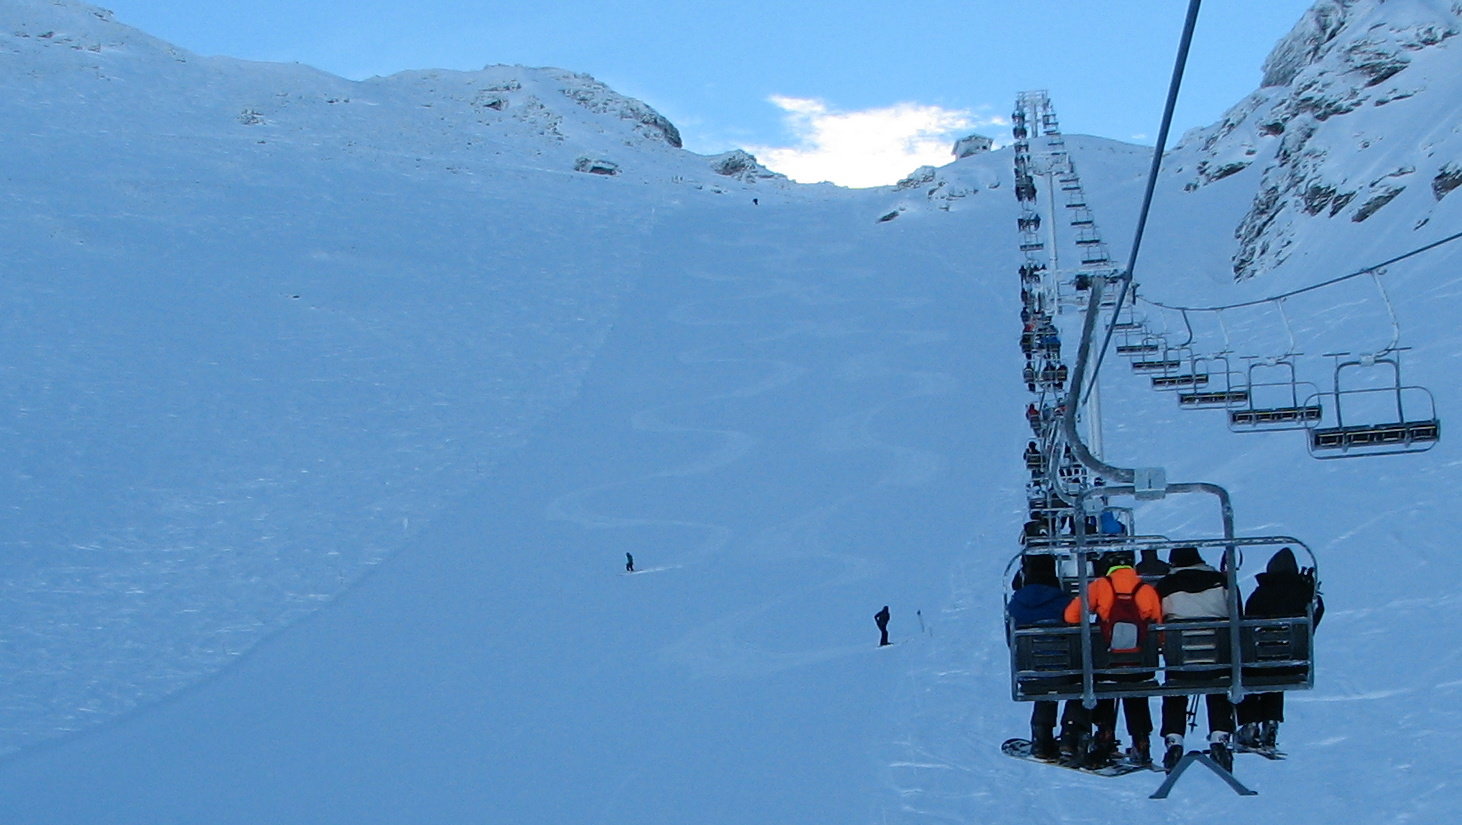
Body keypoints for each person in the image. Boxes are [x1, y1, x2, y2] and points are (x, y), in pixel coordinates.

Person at [1062, 550, 1161, 767]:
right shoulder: (1145, 589)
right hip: (1139, 664)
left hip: (1107, 663)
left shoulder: (1100, 586)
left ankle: (1104, 734)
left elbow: (1071, 615)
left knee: (1103, 684)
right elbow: (1159, 627)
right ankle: (1141, 741)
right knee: (1136, 691)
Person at [1155, 546, 1236, 772]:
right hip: (1216, 658)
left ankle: (1174, 738)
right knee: (1219, 681)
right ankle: (1219, 735)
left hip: (1181, 662)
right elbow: (1236, 614)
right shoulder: (1221, 581)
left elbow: (1155, 617)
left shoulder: (1164, 586)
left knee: (1175, 687)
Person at [1235, 547, 1324, 751]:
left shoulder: (1258, 596)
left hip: (1257, 664)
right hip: (1294, 665)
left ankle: (1249, 723)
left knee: (1248, 668)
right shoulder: (1304, 596)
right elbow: (1316, 616)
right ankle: (1271, 723)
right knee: (1279, 665)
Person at [1007, 554, 1068, 760]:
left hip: (1029, 670)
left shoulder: (1016, 604)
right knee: (1078, 678)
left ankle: (1041, 735)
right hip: (1063, 670)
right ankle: (1073, 734)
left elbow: (1011, 638)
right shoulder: (1064, 601)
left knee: (1044, 678)